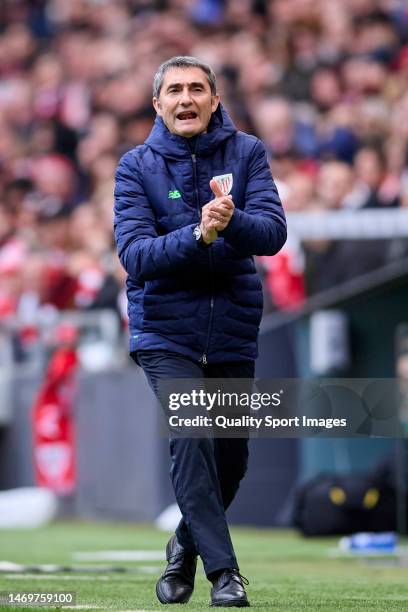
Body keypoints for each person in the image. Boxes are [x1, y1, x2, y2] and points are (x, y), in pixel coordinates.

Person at [114, 56, 286, 607]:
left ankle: (183, 547)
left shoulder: (248, 153)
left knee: (230, 461)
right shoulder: (135, 167)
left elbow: (273, 234)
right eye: (174, 91)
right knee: (191, 441)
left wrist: (229, 220)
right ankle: (225, 575)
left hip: (232, 327)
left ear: (215, 100)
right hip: (165, 330)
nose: (185, 99)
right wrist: (199, 235)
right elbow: (136, 256)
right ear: (157, 104)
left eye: (196, 89)